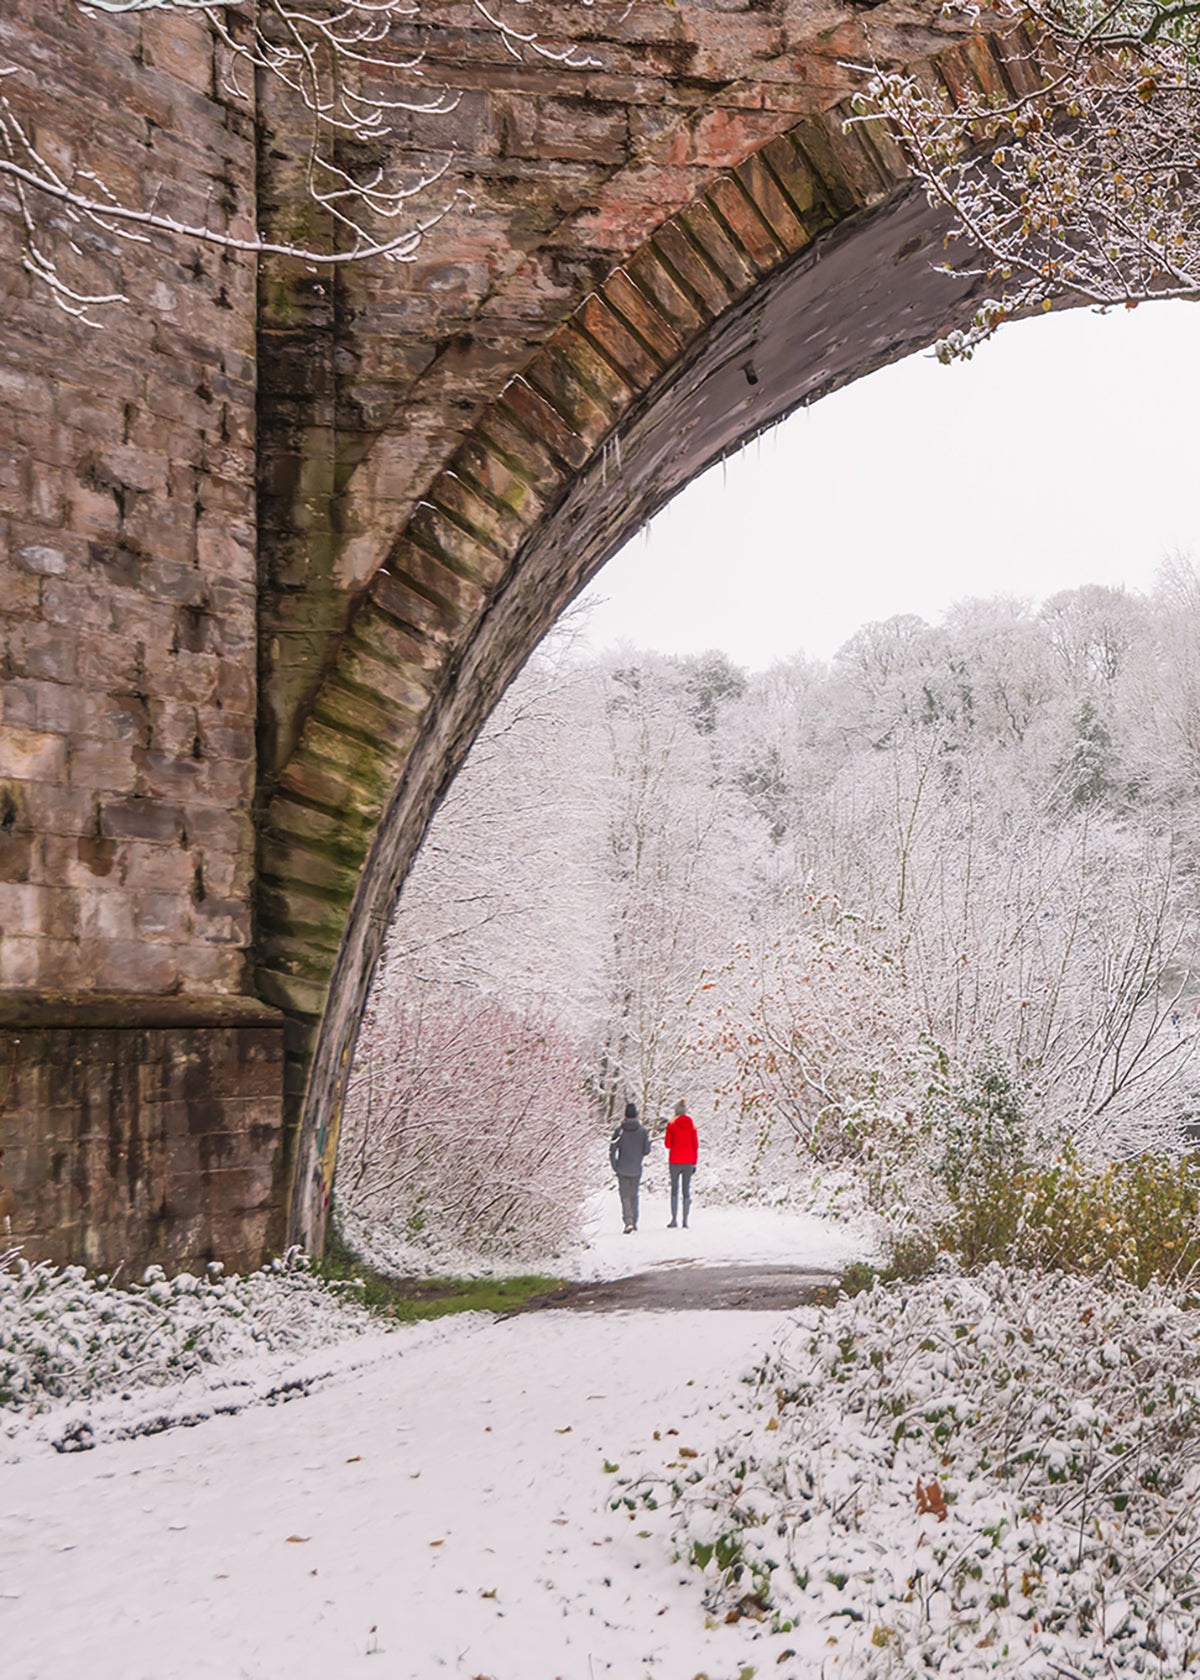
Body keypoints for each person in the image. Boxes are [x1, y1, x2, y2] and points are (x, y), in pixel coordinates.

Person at [609, 1101, 650, 1233]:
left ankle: (628, 1220)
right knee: (634, 1195)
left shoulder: (620, 1131)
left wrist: (615, 1165)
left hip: (622, 1167)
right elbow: (647, 1150)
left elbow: (612, 1149)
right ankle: (634, 1220)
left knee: (625, 1196)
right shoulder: (642, 1131)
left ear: (625, 1115)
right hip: (636, 1168)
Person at [663, 1101, 698, 1228]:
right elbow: (695, 1145)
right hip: (688, 1161)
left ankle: (673, 1219)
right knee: (686, 1190)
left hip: (675, 1161)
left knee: (674, 1190)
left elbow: (668, 1144)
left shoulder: (671, 1124)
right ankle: (685, 1221)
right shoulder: (692, 1124)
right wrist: (694, 1162)